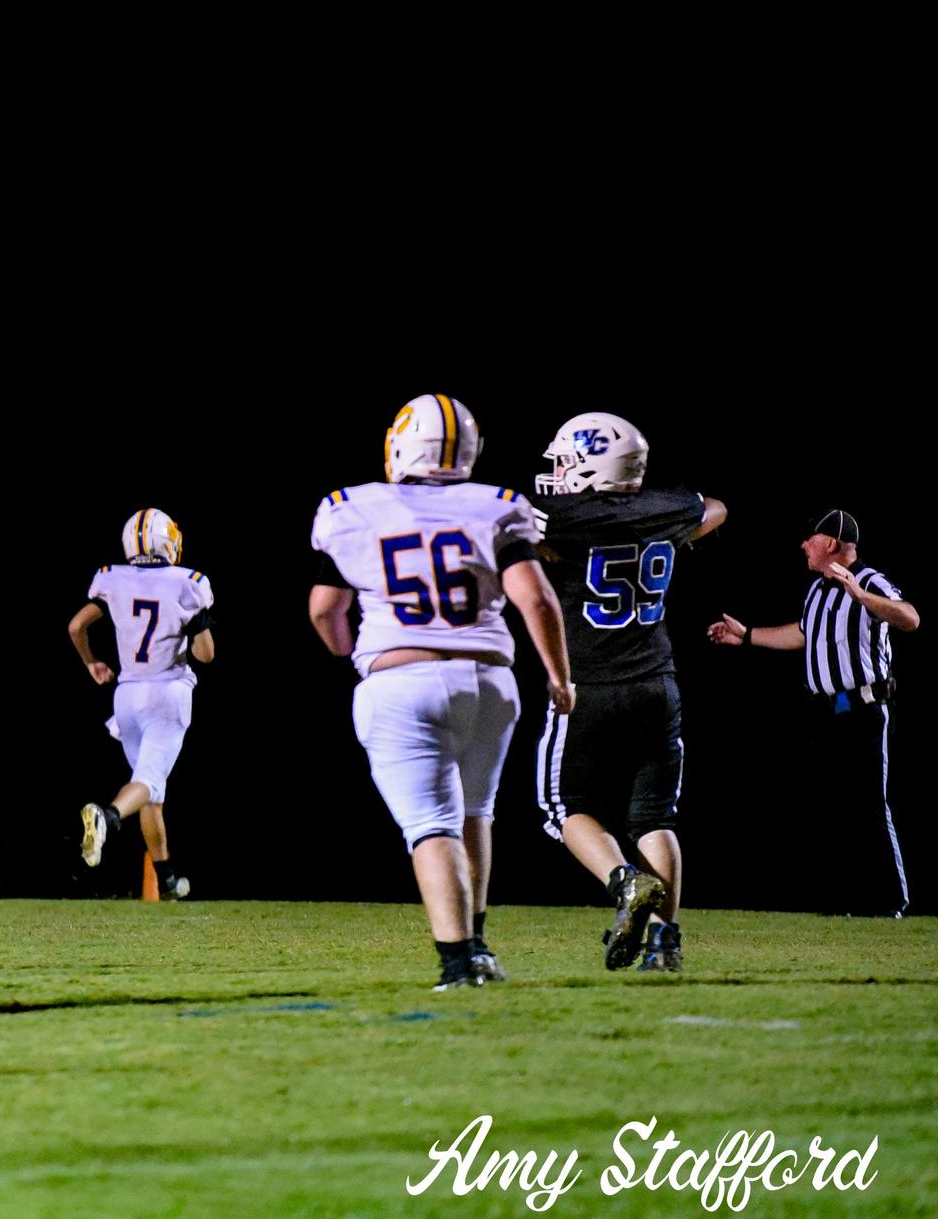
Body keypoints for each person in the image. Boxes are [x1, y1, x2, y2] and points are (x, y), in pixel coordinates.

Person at [308, 394, 575, 990]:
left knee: (431, 823)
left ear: (400, 442)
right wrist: (559, 676)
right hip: (490, 682)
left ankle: (458, 964)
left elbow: (326, 610)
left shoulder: (355, 508)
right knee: (475, 811)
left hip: (401, 680)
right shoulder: (497, 506)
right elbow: (536, 599)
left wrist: (349, 651)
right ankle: (477, 944)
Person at [529, 413, 725, 972]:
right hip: (657, 683)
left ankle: (625, 881)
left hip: (586, 682)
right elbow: (715, 508)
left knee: (564, 807)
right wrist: (672, 531)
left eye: (567, 461)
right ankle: (667, 944)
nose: (559, 473)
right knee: (655, 817)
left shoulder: (561, 518)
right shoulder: (665, 507)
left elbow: (520, 535)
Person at [707, 509, 919, 917]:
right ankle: (849, 898)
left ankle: (890, 900)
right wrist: (746, 635)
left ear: (832, 544)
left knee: (869, 804)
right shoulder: (818, 590)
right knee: (833, 807)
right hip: (824, 713)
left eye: (811, 538)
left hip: (863, 708)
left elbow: (910, 617)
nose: (804, 545)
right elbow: (804, 634)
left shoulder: (868, 581)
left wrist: (861, 596)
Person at [70, 508, 214, 899]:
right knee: (147, 783)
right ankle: (108, 817)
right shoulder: (187, 583)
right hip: (166, 693)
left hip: (127, 697)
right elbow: (205, 655)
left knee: (152, 790)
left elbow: (75, 626)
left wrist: (91, 663)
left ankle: (166, 879)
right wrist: (196, 623)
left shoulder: (113, 579)